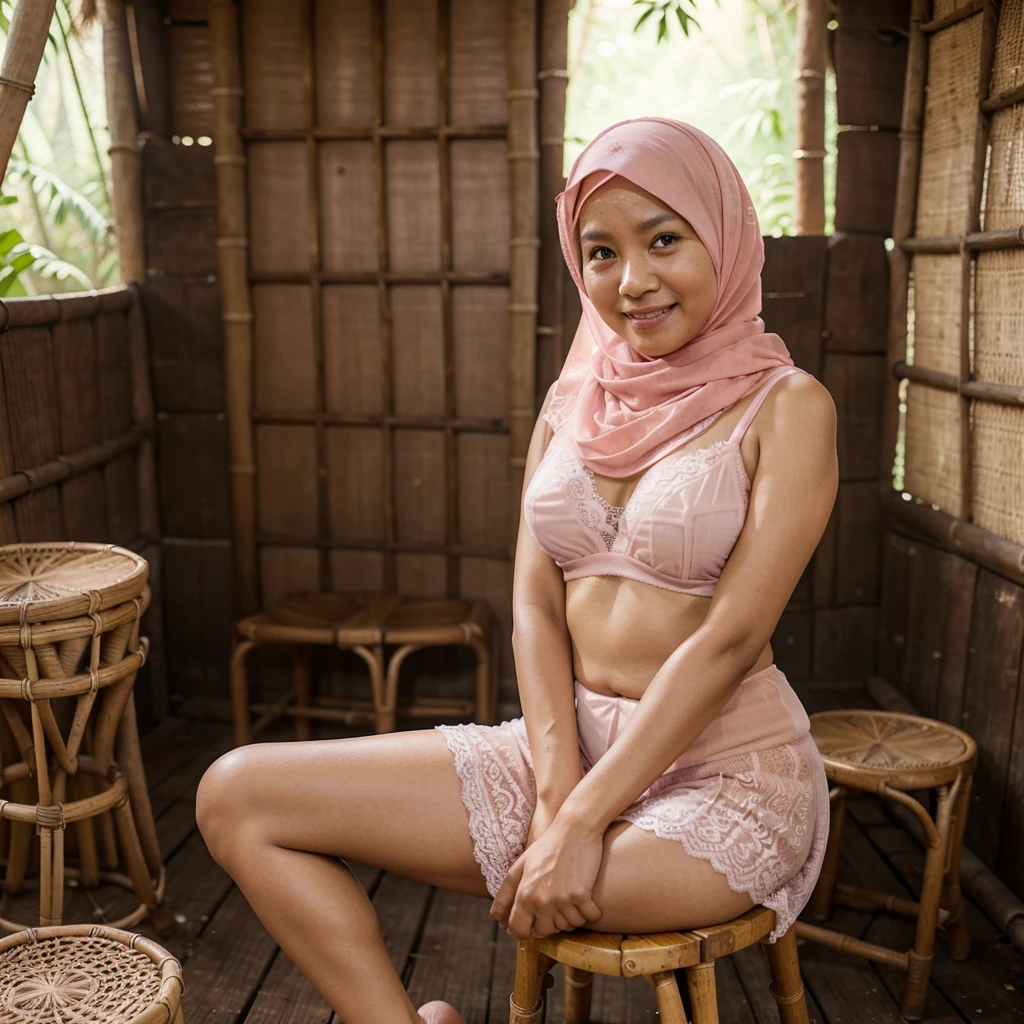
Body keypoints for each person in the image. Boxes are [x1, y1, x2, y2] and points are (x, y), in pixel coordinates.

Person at [196, 116, 838, 1024]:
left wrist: (577, 826)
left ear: (726, 239)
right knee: (237, 796)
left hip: (722, 779)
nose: (634, 280)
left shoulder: (789, 406)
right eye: (601, 252)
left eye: (665, 239)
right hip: (564, 750)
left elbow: (733, 640)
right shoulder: (574, 398)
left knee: (552, 885)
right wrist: (554, 787)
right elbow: (534, 604)